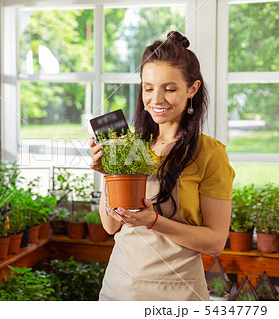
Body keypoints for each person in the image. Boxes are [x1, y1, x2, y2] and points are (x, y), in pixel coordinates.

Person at [89, 31, 235, 301]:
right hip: (119, 288)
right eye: (148, 88)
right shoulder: (130, 146)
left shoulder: (209, 153)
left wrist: (154, 221)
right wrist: (109, 174)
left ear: (193, 89)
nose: (156, 99)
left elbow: (215, 243)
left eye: (169, 88)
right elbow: (110, 226)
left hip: (178, 293)